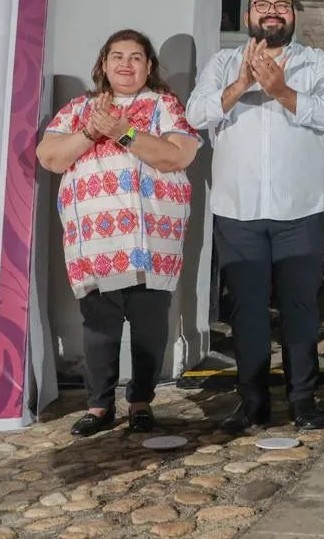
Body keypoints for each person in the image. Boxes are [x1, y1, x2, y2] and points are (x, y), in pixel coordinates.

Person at [187, 0, 324, 433]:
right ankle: (252, 402)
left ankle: (303, 400)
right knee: (247, 311)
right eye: (263, 5)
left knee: (300, 309)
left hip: (299, 210)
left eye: (281, 5)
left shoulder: (317, 63)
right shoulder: (221, 63)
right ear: (248, 14)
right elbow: (197, 115)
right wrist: (240, 84)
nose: (272, 12)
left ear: (293, 14)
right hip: (238, 211)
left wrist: (281, 91)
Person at [38, 29, 201, 436]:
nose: (125, 65)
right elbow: (50, 157)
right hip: (96, 244)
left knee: (149, 328)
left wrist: (122, 132)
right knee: (98, 329)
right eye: (117, 57)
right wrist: (93, 132)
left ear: (148, 66)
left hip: (151, 244)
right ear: (103, 64)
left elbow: (177, 155)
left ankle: (142, 401)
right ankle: (99, 406)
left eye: (135, 57)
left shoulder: (164, 106)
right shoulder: (79, 109)